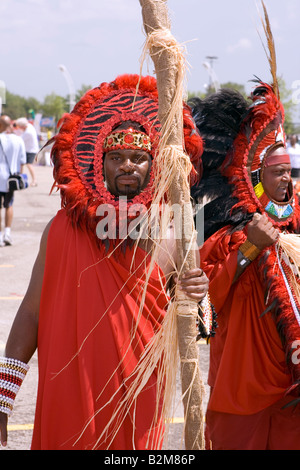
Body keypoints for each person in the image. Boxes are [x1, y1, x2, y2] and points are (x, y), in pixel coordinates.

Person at [0, 74, 208, 450]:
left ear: (154, 164)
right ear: (101, 163)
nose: (128, 166)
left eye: (139, 158)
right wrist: (3, 395)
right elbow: (31, 311)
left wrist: (197, 297)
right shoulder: (63, 228)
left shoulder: (176, 229)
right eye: (117, 158)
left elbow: (200, 324)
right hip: (67, 397)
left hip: (139, 402)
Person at [190, 79, 300, 450]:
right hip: (240, 390)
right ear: (255, 176)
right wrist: (249, 249)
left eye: (290, 172)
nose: (287, 180)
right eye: (278, 172)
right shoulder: (223, 234)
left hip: (293, 387)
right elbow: (202, 310)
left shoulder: (297, 228)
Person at [0, 115, 26, 246]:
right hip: (11, 178)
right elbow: (22, 161)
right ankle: (8, 233)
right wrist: (20, 177)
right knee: (9, 205)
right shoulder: (18, 139)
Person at [13, 117, 39, 187]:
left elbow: (19, 140)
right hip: (28, 149)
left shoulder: (28, 132)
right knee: (21, 164)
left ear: (22, 126)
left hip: (31, 150)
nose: (18, 127)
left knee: (29, 164)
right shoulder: (29, 126)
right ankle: (20, 179)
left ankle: (34, 180)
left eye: (19, 126)